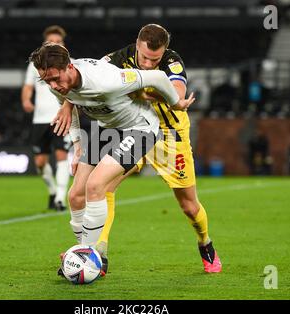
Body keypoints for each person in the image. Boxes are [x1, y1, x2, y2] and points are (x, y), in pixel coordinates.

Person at [53, 24, 222, 274]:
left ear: (164, 52)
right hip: (126, 130)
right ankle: (97, 254)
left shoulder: (172, 63)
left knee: (189, 205)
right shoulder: (115, 60)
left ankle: (205, 242)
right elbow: (84, 83)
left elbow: (176, 92)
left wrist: (135, 89)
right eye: (144, 57)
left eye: (155, 59)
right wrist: (68, 104)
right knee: (102, 187)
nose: (148, 64)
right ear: (137, 44)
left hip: (169, 135)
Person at [28, 42, 195, 277]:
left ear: (69, 67)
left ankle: (86, 255)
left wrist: (176, 102)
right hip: (108, 129)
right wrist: (77, 145)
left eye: (56, 79)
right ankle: (86, 253)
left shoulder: (105, 79)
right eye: (48, 81)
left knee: (96, 185)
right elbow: (70, 111)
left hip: (140, 128)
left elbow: (156, 77)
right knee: (75, 196)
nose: (54, 85)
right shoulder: (57, 84)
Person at [21, 25, 71, 211]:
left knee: (61, 156)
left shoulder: (70, 64)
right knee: (40, 163)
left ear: (63, 44)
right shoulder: (35, 65)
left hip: (61, 118)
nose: (54, 45)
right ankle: (52, 191)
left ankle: (60, 198)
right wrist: (26, 100)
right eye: (51, 42)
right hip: (39, 119)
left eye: (58, 42)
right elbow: (27, 87)